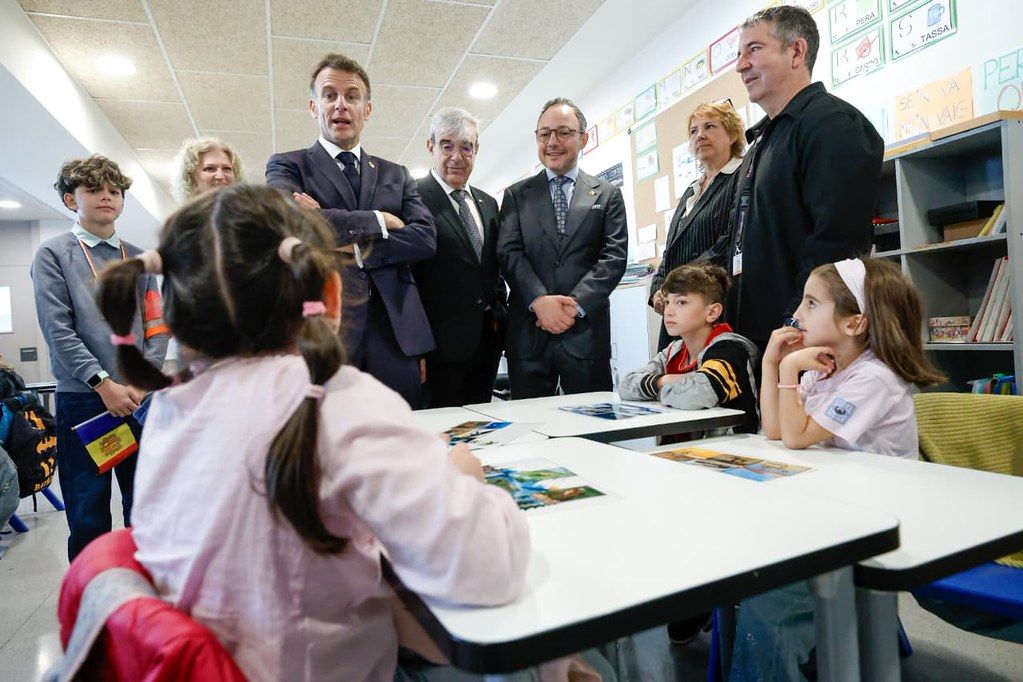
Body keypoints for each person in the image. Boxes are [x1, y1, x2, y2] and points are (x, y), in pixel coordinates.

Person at [95, 184, 529, 681]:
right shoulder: (343, 402)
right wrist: (466, 476)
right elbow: (489, 571)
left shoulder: (168, 415)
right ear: (331, 294)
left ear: (170, 309)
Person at [733, 257, 944, 681]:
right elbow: (776, 430)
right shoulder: (824, 368)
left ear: (854, 324)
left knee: (769, 593)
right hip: (836, 508)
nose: (797, 315)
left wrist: (790, 368)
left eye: (812, 303)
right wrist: (774, 363)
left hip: (879, 521)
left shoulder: (875, 378)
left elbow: (795, 437)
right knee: (748, 558)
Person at [266, 53, 437, 409]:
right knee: (327, 444)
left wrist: (349, 246)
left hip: (396, 336)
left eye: (352, 96)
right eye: (330, 95)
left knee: (399, 440)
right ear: (314, 106)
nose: (340, 105)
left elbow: (423, 239)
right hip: (325, 333)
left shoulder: (397, 174)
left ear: (367, 108)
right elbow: (294, 225)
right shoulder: (287, 165)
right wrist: (380, 220)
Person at [728, 6, 883, 364]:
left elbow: (838, 242)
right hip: (763, 337)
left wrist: (796, 323)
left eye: (754, 49)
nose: (740, 65)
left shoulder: (833, 124)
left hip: (805, 342)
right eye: (739, 54)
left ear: (797, 51)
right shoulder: (763, 142)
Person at [31, 155, 169, 560]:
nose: (107, 197)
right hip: (87, 400)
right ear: (72, 200)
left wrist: (143, 381)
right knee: (89, 512)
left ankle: (143, 592)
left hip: (140, 398)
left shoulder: (140, 256)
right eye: (94, 190)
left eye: (114, 191)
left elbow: (157, 327)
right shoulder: (54, 254)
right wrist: (102, 383)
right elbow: (58, 331)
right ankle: (95, 598)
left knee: (145, 506)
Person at [497, 98, 628, 398]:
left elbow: (613, 257)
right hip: (530, 335)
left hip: (585, 333)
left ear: (583, 138)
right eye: (544, 134)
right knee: (533, 432)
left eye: (563, 133)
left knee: (592, 430)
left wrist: (574, 305)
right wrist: (540, 301)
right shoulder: (516, 196)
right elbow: (509, 253)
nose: (552, 142)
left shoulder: (606, 195)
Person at [414, 108, 507, 407]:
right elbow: (407, 279)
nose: (457, 156)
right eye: (447, 145)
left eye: (466, 147)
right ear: (431, 146)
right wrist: (416, 348)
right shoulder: (411, 199)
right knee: (442, 440)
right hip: (437, 351)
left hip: (486, 347)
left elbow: (493, 270)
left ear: (476, 150)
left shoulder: (488, 203)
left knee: (482, 431)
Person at [649, 101, 745, 350]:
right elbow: (670, 249)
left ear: (733, 134)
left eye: (710, 126)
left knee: (703, 381)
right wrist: (658, 288)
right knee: (671, 378)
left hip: (709, 307)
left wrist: (676, 283)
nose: (700, 135)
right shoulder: (691, 189)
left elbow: (728, 243)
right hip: (677, 304)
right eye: (693, 131)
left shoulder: (741, 178)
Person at [621, 262, 758, 435]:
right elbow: (625, 386)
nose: (668, 311)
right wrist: (665, 380)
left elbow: (695, 395)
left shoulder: (729, 348)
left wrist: (654, 388)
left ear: (712, 312)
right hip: (684, 450)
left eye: (681, 302)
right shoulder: (674, 350)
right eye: (667, 302)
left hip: (730, 452)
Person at [169, 137, 244, 203]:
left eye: (227, 168)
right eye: (210, 169)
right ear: (190, 178)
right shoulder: (185, 218)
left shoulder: (248, 216)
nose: (220, 176)